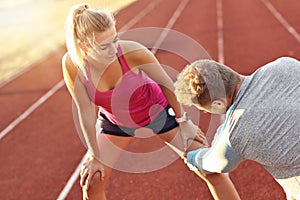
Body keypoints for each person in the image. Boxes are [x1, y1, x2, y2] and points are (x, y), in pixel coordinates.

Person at [62, 4, 241, 200]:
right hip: (115, 123)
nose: (114, 50)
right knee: (92, 182)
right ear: (83, 48)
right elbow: (85, 110)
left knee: (209, 170)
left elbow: (166, 84)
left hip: (159, 112)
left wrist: (184, 122)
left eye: (115, 40)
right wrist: (95, 155)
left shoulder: (132, 52)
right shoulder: (73, 65)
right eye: (104, 46)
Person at [174, 57, 300, 200]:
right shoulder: (285, 63)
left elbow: (213, 163)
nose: (206, 112)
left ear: (217, 104)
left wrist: (191, 157)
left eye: (205, 109)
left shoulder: (236, 134)